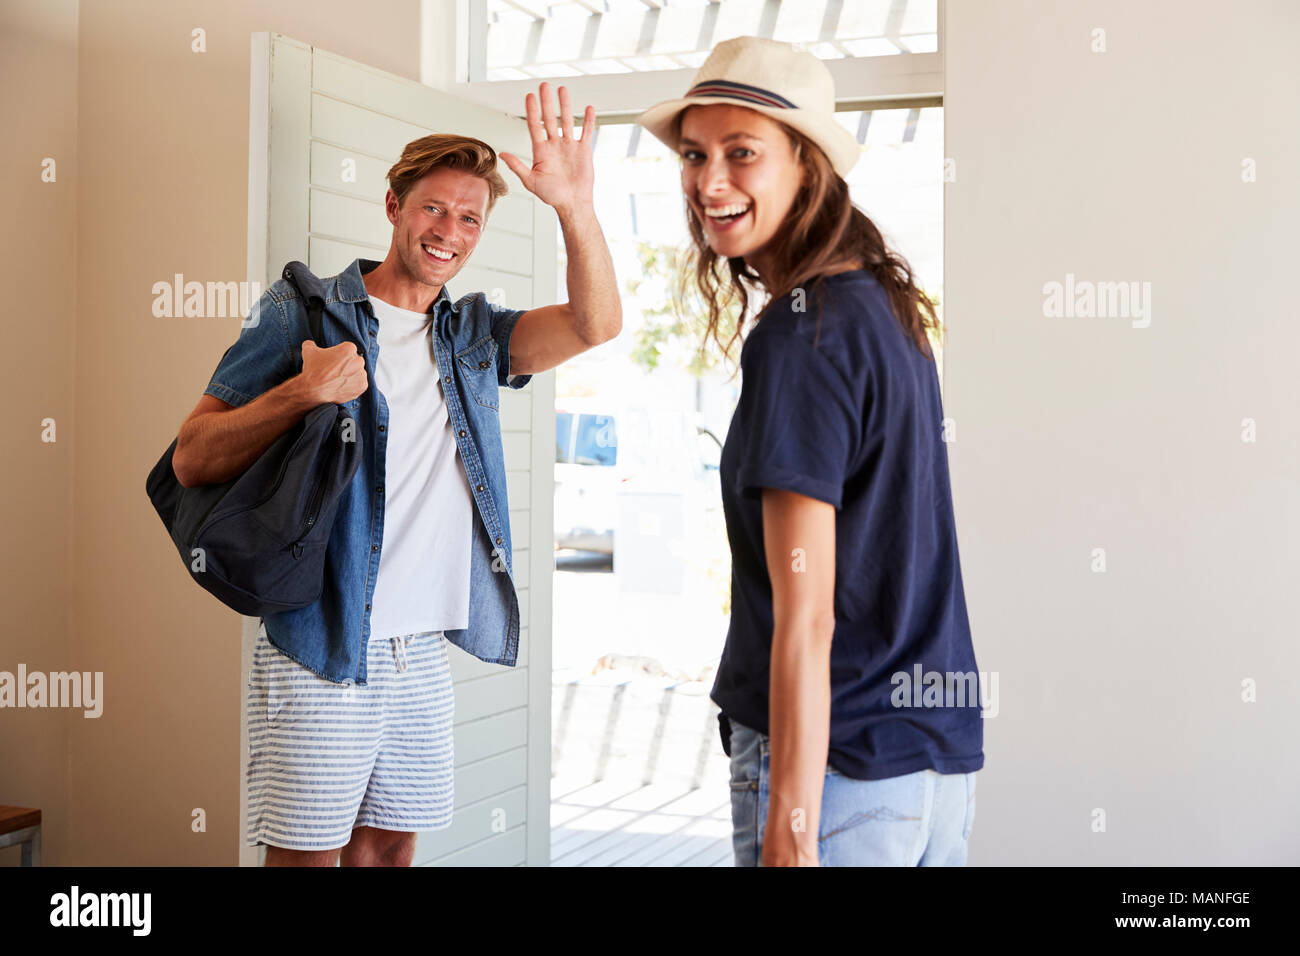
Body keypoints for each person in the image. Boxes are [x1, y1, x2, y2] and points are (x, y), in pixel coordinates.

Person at [171, 82, 619, 866]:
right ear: (393, 206)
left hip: (420, 650)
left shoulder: (475, 335)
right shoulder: (303, 312)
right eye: (434, 208)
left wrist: (575, 208)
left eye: (470, 217)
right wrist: (303, 389)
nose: (450, 230)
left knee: (385, 854)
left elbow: (596, 324)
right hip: (322, 641)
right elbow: (192, 455)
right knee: (306, 857)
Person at [637, 36, 984, 867]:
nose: (708, 181)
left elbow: (808, 613)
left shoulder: (802, 336)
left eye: (742, 153)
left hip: (836, 779)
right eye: (694, 154)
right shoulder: (889, 314)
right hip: (931, 773)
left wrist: (790, 836)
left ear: (808, 166)